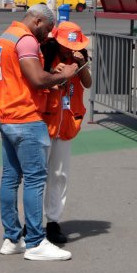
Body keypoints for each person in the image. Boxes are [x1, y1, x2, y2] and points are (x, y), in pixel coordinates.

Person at [0, 4, 75, 261]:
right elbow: (36, 80)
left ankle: (12, 238)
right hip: (25, 117)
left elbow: (18, 77)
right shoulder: (26, 41)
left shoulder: (5, 38)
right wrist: (64, 74)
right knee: (36, 179)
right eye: (46, 29)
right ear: (37, 21)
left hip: (5, 115)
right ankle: (36, 241)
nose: (46, 36)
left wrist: (49, 74)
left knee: (10, 178)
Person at [40, 21, 91, 245]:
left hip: (67, 122)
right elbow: (36, 79)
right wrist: (53, 72)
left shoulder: (79, 56)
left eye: (73, 46)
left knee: (59, 174)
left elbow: (87, 84)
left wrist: (82, 65)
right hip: (44, 120)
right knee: (36, 175)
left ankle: (53, 221)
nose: (70, 49)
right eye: (65, 45)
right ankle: (30, 222)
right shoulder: (45, 52)